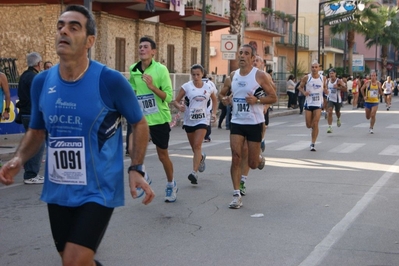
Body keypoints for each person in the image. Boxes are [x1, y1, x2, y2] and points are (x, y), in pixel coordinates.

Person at [0, 5, 155, 266]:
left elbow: (139, 123)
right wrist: (18, 159)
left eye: (74, 27)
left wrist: (136, 167)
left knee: (74, 259)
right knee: (70, 260)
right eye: (61, 26)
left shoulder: (110, 81)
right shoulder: (42, 81)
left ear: (89, 41)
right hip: (59, 186)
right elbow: (37, 131)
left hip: (99, 186)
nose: (64, 31)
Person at [219, 44, 277, 209]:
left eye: (246, 54)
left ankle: (259, 159)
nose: (242, 56)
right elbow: (222, 93)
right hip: (237, 122)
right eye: (241, 53)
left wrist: (257, 100)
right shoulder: (232, 76)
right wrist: (225, 99)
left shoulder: (260, 76)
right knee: (236, 157)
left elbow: (273, 97)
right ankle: (236, 195)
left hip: (254, 122)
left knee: (251, 163)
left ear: (252, 58)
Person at [129, 36, 177, 202]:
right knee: (133, 149)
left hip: (159, 119)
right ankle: (143, 174)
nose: (142, 49)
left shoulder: (161, 70)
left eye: (145, 47)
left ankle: (171, 184)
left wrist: (151, 87)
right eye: (140, 46)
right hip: (141, 120)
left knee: (162, 155)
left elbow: (169, 97)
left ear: (153, 52)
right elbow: (133, 92)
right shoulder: (133, 69)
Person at [173, 64, 217, 185]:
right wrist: (179, 106)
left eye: (198, 74)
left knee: (197, 145)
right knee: (194, 147)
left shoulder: (208, 87)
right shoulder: (186, 87)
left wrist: (213, 113)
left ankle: (194, 172)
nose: (196, 77)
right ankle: (201, 158)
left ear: (202, 74)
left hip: (203, 119)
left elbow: (214, 99)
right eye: (193, 75)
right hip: (189, 119)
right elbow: (175, 101)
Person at [17, 52, 45, 184]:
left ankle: (30, 173)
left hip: (25, 113)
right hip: (33, 114)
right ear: (38, 64)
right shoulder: (34, 78)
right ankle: (31, 174)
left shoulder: (23, 76)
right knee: (37, 145)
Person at [297, 61, 329, 151]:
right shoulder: (307, 77)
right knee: (308, 124)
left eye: (316, 67)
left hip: (318, 103)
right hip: (309, 103)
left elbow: (325, 87)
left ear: (319, 68)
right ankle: (312, 129)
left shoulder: (323, 78)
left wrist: (326, 91)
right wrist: (304, 92)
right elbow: (300, 87)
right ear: (310, 68)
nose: (314, 69)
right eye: (312, 67)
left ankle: (313, 143)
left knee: (315, 123)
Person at [326, 68, 346, 134]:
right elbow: (324, 88)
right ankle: (329, 126)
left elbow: (345, 89)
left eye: (332, 73)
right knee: (330, 111)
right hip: (330, 99)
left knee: (338, 112)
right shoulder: (327, 81)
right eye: (330, 73)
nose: (331, 75)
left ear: (335, 74)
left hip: (337, 99)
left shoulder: (339, 81)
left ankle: (338, 118)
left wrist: (338, 87)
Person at [203, 73, 217, 142]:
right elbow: (215, 93)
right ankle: (206, 136)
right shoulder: (210, 83)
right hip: (208, 106)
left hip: (196, 107)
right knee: (207, 121)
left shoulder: (191, 83)